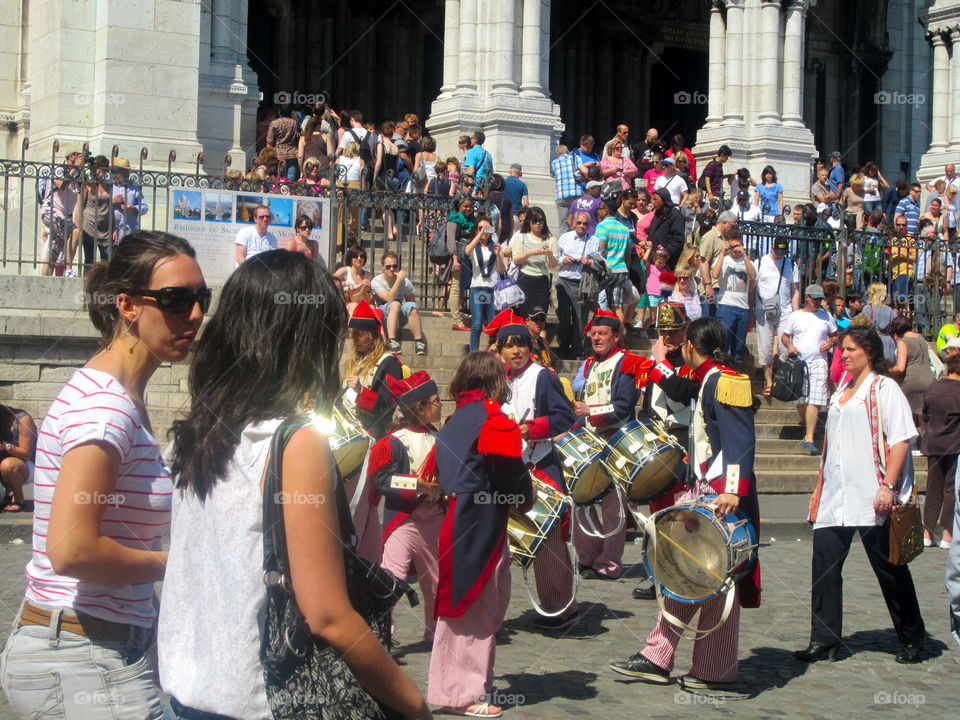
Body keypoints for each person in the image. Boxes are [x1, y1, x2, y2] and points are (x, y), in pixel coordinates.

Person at [159, 250, 431, 720]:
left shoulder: (194, 433)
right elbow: (328, 616)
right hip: (259, 697)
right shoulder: (295, 441)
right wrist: (414, 706)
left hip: (187, 692)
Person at [0, 231, 207, 719]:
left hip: (86, 645)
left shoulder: (116, 396)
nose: (195, 315)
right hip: (82, 654)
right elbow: (72, 549)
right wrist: (178, 563)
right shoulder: (105, 408)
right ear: (128, 306)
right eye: (177, 300)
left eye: (201, 298)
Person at [610, 317, 760, 688]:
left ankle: (690, 663)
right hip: (707, 487)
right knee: (699, 574)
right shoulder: (707, 378)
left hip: (721, 493)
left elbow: (739, 440)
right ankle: (697, 664)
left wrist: (731, 489)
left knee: (703, 575)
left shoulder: (726, 381)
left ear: (692, 345)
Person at [799, 326, 926, 664]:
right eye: (842, 349)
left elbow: (900, 440)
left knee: (889, 568)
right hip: (834, 496)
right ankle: (824, 637)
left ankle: (912, 634)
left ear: (869, 352)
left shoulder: (884, 389)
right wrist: (818, 487)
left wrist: (888, 484)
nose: (845, 354)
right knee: (824, 566)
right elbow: (832, 445)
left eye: (851, 349)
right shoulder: (841, 388)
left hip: (872, 496)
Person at [428, 351, 531, 718]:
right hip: (480, 520)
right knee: (474, 606)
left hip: (458, 517)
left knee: (474, 604)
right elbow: (511, 474)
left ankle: (466, 684)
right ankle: (463, 692)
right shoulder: (491, 417)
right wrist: (524, 497)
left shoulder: (456, 419)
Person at [492, 312, 578, 628]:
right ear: (499, 350)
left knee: (548, 539)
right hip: (508, 469)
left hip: (540, 466)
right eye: (509, 346)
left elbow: (564, 416)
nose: (516, 352)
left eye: (522, 346)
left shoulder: (543, 377)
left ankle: (561, 606)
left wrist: (533, 428)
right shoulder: (496, 378)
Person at [572, 309, 653, 579]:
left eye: (603, 333)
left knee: (612, 506)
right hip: (590, 441)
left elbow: (623, 406)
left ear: (616, 336)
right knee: (582, 501)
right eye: (594, 334)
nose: (597, 338)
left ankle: (609, 562)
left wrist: (591, 411)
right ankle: (587, 556)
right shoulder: (591, 364)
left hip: (615, 441)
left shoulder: (627, 362)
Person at [367, 371, 445, 642]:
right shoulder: (395, 441)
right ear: (420, 407)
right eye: (435, 401)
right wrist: (418, 485)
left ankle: (435, 634)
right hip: (404, 521)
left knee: (436, 582)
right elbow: (382, 481)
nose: (440, 405)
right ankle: (381, 631)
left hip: (435, 521)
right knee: (391, 577)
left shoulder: (439, 438)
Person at [781, 284, 838, 454]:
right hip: (799, 363)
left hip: (819, 362)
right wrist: (789, 346)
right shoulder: (795, 316)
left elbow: (835, 335)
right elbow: (785, 336)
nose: (818, 302)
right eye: (815, 298)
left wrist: (829, 343)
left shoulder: (826, 316)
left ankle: (809, 437)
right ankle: (809, 425)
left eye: (820, 298)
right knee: (800, 401)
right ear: (807, 297)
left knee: (815, 399)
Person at [342, 300, 405, 442]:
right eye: (354, 335)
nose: (356, 340)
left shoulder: (389, 363)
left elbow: (388, 409)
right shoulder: (355, 359)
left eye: (361, 335)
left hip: (373, 430)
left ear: (373, 337)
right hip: (349, 427)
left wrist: (362, 391)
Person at [921, 355, 960, 549]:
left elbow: (924, 412)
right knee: (951, 489)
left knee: (933, 489)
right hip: (954, 444)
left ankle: (927, 533)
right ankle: (947, 534)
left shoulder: (933, 387)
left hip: (933, 443)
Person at [754, 236, 801, 396]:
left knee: (785, 348)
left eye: (783, 252)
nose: (780, 255)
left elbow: (794, 290)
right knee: (765, 348)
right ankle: (768, 381)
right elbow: (753, 286)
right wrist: (751, 308)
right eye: (777, 251)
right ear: (772, 247)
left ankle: (779, 377)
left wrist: (796, 314)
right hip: (763, 310)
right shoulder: (760, 262)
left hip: (785, 310)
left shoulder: (791, 264)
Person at [556, 211, 600, 359]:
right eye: (579, 223)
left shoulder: (594, 240)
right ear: (574, 223)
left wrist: (589, 262)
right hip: (565, 280)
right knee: (564, 315)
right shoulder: (564, 238)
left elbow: (600, 263)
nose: (581, 226)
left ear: (589, 225)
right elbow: (555, 258)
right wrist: (564, 260)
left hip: (583, 283)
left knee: (580, 319)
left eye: (585, 224)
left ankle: (578, 351)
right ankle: (563, 344)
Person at [371, 251, 428, 356]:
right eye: (388, 267)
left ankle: (419, 342)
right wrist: (399, 280)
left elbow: (412, 302)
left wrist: (412, 310)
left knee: (412, 307)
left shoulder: (405, 282)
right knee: (395, 303)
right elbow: (389, 298)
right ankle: (392, 340)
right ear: (382, 267)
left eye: (395, 266)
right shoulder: (376, 281)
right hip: (382, 314)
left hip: (397, 313)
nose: (392, 269)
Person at [712, 231, 757, 363]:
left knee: (739, 344)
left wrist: (744, 255)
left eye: (738, 246)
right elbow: (715, 275)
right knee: (724, 341)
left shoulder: (748, 262)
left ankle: (737, 367)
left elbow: (753, 276)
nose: (735, 249)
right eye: (733, 246)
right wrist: (722, 252)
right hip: (726, 305)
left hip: (743, 307)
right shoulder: (724, 260)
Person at [465, 216, 506, 351]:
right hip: (478, 288)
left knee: (494, 323)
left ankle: (495, 351)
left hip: (493, 288)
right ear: (476, 230)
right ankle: (473, 355)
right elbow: (467, 251)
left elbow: (501, 270)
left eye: (487, 228)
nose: (484, 231)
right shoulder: (473, 245)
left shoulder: (494, 246)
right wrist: (480, 234)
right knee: (477, 324)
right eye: (480, 228)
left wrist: (499, 255)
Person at [509, 206, 558, 317]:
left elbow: (553, 265)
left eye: (540, 220)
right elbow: (516, 259)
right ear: (529, 222)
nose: (538, 223)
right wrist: (530, 253)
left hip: (542, 281)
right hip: (525, 279)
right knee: (522, 315)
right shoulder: (521, 237)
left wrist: (550, 254)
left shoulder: (551, 239)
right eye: (534, 220)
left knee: (540, 316)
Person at [890, 315, 934, 435]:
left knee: (905, 411)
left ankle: (910, 441)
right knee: (922, 412)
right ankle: (926, 441)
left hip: (912, 381)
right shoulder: (920, 337)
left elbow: (900, 367)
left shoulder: (902, 342)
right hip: (929, 378)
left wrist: (887, 369)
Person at [596, 200, 637, 329]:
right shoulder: (624, 229)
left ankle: (603, 329)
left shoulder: (602, 227)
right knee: (617, 305)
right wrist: (628, 270)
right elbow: (627, 254)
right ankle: (620, 337)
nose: (598, 211)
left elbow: (601, 249)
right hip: (621, 270)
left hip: (607, 270)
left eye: (600, 208)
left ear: (606, 210)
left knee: (601, 300)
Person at [446, 194, 477, 331]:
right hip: (458, 257)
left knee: (464, 288)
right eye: (465, 206)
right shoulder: (454, 219)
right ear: (459, 206)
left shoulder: (472, 220)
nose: (468, 208)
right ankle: (456, 321)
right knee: (456, 288)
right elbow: (451, 240)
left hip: (469, 258)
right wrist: (455, 259)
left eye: (470, 206)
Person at [0, 405, 36, 513]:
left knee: (9, 464)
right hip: (3, 468)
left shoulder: (23, 420)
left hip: (26, 465)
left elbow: (26, 454)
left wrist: (6, 446)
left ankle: (18, 498)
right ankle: (6, 492)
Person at [647, 187, 686, 269]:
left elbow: (678, 239)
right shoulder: (656, 215)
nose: (652, 202)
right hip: (654, 260)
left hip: (667, 262)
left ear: (664, 200)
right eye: (652, 199)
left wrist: (665, 252)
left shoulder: (675, 215)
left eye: (655, 199)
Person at [334, 244, 374, 316]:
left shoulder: (367, 275)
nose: (359, 258)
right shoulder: (344, 271)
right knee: (354, 306)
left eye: (362, 256)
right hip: (345, 305)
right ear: (350, 259)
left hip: (362, 305)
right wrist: (345, 283)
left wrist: (369, 287)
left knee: (372, 308)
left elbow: (370, 298)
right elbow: (330, 282)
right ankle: (349, 327)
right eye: (355, 256)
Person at [551, 144, 580, 228]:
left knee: (563, 225)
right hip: (575, 193)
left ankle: (562, 240)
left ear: (557, 154)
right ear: (567, 152)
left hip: (562, 194)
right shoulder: (575, 158)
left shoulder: (554, 162)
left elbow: (555, 175)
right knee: (576, 222)